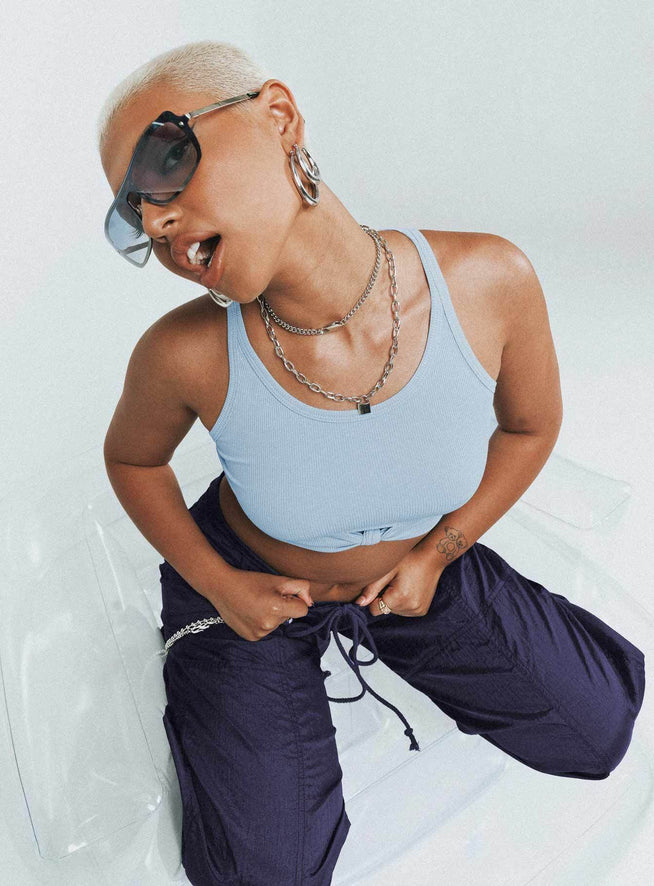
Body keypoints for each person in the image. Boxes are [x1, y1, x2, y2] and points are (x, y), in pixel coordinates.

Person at [97, 40, 646, 886]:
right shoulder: (183, 353)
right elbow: (134, 461)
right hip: (251, 582)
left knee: (597, 731)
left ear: (278, 116)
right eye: (133, 214)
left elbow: (530, 429)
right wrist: (219, 584)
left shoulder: (488, 281)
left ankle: (403, 615)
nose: (158, 222)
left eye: (164, 164)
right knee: (267, 875)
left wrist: (439, 552)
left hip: (413, 566)